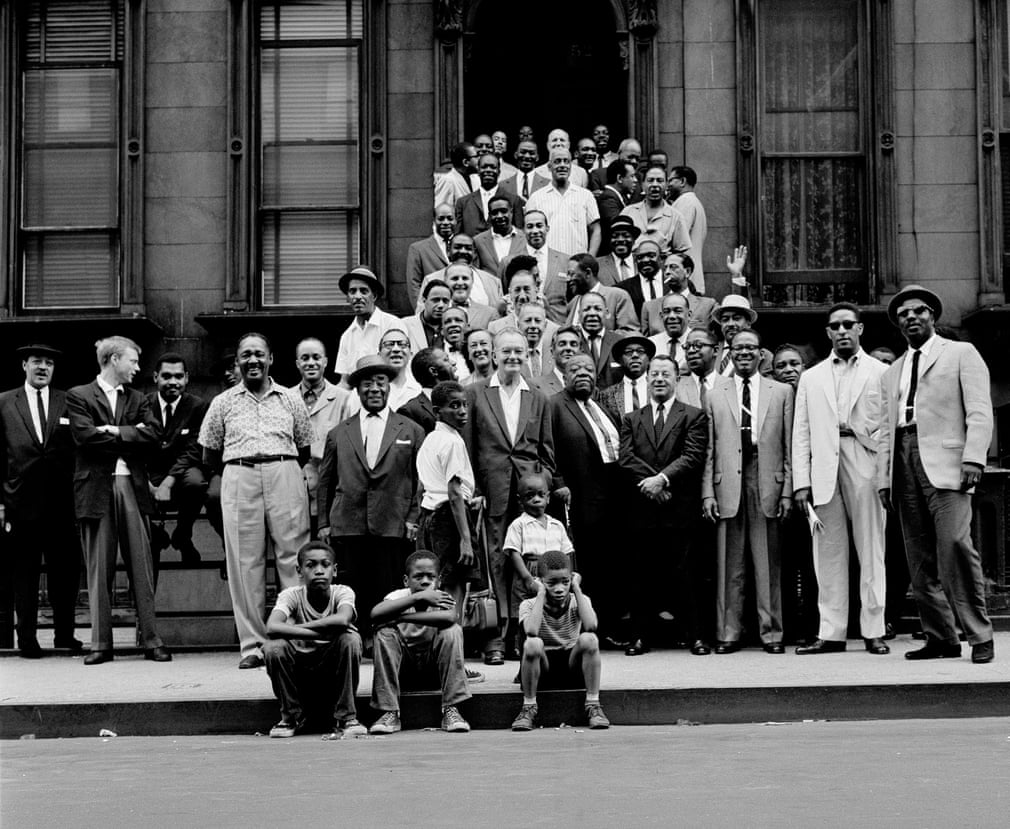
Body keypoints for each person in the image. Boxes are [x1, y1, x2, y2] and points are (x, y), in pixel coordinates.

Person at [877, 285, 995, 664]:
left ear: (933, 316)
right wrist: (884, 478)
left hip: (947, 462)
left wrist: (974, 459)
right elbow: (884, 427)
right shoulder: (891, 371)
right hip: (903, 458)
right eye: (904, 314)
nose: (911, 317)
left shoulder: (961, 353)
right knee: (919, 557)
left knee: (956, 547)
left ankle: (979, 634)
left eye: (919, 311)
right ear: (898, 323)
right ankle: (941, 637)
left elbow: (979, 410)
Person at [199, 332, 313, 668]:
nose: (253, 361)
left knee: (292, 557)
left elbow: (304, 446)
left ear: (271, 359)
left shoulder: (290, 399)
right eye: (246, 355)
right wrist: (241, 468)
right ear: (237, 361)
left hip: (284, 471)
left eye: (259, 354)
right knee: (244, 562)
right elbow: (209, 452)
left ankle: (294, 638)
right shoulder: (223, 402)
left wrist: (281, 468)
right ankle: (253, 645)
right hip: (239, 474)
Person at [793, 304, 890, 655]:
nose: (843, 330)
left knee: (871, 548)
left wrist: (859, 433)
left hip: (865, 462)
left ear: (861, 329)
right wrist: (801, 482)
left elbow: (888, 426)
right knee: (828, 553)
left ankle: (874, 629)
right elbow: (801, 431)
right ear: (828, 332)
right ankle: (831, 632)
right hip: (823, 470)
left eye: (849, 324)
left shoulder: (881, 372)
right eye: (836, 326)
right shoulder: (812, 376)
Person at [68, 336, 170, 664]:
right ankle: (101, 644)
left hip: (133, 488)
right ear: (114, 360)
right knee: (98, 567)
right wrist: (128, 433)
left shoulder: (140, 398)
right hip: (95, 488)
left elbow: (153, 435)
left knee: (142, 565)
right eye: (133, 361)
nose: (137, 368)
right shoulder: (79, 395)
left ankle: (151, 640)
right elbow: (84, 437)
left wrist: (110, 430)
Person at [464, 328, 557, 665]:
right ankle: (496, 639)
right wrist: (474, 490)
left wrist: (540, 484)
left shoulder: (538, 396)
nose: (513, 357)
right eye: (506, 352)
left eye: (518, 351)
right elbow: (468, 449)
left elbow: (546, 453)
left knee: (530, 564)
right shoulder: (475, 394)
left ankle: (526, 633)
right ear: (494, 354)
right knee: (496, 564)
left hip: (529, 498)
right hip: (491, 494)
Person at [317, 355, 425, 641]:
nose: (374, 389)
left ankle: (385, 637)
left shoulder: (411, 430)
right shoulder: (339, 433)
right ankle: (357, 637)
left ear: (389, 387)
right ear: (357, 389)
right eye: (367, 383)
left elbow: (420, 479)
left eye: (380, 382)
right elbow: (325, 481)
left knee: (387, 584)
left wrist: (413, 517)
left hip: (393, 521)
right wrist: (322, 524)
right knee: (352, 583)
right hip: (348, 522)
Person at [703, 329, 793, 654]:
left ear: (760, 354)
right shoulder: (716, 393)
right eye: (738, 348)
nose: (744, 353)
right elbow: (709, 449)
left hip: (765, 476)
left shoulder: (781, 392)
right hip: (726, 480)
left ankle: (772, 633)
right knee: (730, 563)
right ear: (730, 352)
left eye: (750, 348)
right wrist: (707, 493)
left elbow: (788, 446)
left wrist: (787, 491)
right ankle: (729, 633)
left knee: (767, 561)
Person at [618, 353, 708, 656]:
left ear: (676, 379)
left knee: (686, 573)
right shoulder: (632, 418)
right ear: (647, 378)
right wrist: (654, 483)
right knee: (641, 575)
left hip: (679, 509)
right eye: (653, 374)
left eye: (665, 374)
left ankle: (695, 635)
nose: (658, 379)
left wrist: (664, 480)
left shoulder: (693, 415)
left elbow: (693, 456)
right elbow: (626, 457)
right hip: (642, 509)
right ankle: (641, 637)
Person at [0, 344, 82, 657]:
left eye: (49, 363)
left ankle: (65, 635)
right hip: (21, 503)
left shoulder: (69, 401)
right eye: (37, 362)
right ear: (24, 365)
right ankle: (28, 639)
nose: (43, 367)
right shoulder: (5, 402)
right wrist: (1, 503)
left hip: (63, 504)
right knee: (25, 573)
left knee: (66, 572)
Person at [550, 353, 625, 639]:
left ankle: (607, 625)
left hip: (610, 496)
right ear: (564, 374)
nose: (583, 372)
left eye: (589, 369)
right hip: (578, 495)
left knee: (608, 563)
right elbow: (547, 446)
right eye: (575, 368)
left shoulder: (601, 405)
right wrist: (557, 481)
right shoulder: (555, 405)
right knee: (587, 564)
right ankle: (587, 628)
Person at [263, 540, 364, 739]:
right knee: (273, 647)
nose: (319, 571)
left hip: (333, 667)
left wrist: (291, 630)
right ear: (299, 571)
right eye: (311, 565)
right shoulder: (290, 595)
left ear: (334, 570)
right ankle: (290, 717)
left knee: (350, 640)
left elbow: (343, 618)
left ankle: (347, 717)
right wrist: (325, 631)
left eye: (325, 565)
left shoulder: (342, 592)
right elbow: (272, 627)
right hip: (301, 668)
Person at [368, 550, 472, 734]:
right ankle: (389, 711)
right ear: (406, 580)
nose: (425, 581)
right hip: (403, 671)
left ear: (439, 580)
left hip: (435, 672)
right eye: (418, 576)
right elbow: (375, 614)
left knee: (452, 631)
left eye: (430, 577)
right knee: (384, 632)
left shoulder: (442, 597)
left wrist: (403, 618)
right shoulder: (397, 597)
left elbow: (449, 617)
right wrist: (417, 597)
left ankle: (451, 709)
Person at [511, 551, 609, 731]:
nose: (559, 589)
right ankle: (529, 707)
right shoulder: (529, 605)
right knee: (532, 643)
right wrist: (541, 592)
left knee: (589, 639)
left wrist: (577, 589)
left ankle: (593, 705)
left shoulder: (578, 600)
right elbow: (531, 630)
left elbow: (591, 625)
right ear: (540, 581)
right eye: (551, 583)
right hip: (543, 669)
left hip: (572, 667)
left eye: (565, 582)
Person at [415, 380, 481, 616]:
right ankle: (452, 642)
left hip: (429, 517)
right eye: (454, 406)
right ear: (437, 412)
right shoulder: (452, 441)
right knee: (454, 586)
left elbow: (427, 486)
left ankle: (439, 642)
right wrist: (465, 538)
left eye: (465, 404)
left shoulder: (430, 441)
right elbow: (453, 493)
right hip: (449, 520)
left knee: (436, 584)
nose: (462, 411)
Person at [771, 343, 818, 644]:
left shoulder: (814, 398)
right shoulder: (772, 401)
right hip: (779, 494)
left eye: (794, 364)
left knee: (813, 563)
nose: (788, 370)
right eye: (781, 366)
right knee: (784, 563)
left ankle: (812, 626)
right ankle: (787, 624)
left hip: (813, 491)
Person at [146, 352, 210, 564]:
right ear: (155, 377)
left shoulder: (198, 406)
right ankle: (155, 534)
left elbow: (194, 449)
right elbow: (136, 448)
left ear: (187, 378)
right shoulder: (143, 404)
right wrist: (148, 484)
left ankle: (183, 534)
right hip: (151, 470)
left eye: (178, 376)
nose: (173, 382)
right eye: (166, 376)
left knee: (196, 482)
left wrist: (168, 481)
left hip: (183, 470)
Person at [292, 339, 352, 538]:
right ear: (297, 363)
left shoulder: (344, 399)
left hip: (330, 488)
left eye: (316, 357)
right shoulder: (285, 398)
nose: (311, 363)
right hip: (294, 486)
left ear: (326, 361)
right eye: (305, 358)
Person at [504, 471, 574, 624]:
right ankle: (524, 645)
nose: (536, 499)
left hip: (553, 573)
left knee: (552, 610)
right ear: (520, 500)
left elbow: (567, 553)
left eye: (541, 495)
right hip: (529, 570)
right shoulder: (518, 525)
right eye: (530, 496)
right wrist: (527, 578)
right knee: (526, 612)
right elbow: (514, 552)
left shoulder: (557, 525)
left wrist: (568, 575)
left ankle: (551, 643)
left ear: (548, 498)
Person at [525, 148, 601, 256]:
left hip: (577, 264)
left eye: (566, 161)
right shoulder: (536, 198)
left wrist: (590, 258)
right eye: (557, 161)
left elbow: (596, 230)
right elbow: (528, 233)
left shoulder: (585, 195)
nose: (562, 165)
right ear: (549, 167)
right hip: (547, 265)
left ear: (571, 166)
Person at [500, 210, 571, 324]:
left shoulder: (565, 261)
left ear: (547, 228)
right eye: (530, 226)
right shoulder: (508, 262)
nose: (535, 231)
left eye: (539, 226)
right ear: (523, 230)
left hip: (557, 326)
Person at [335, 267, 401, 385]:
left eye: (364, 291)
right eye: (352, 291)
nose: (358, 296)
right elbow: (344, 382)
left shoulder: (392, 325)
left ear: (374, 296)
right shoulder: (347, 336)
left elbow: (400, 373)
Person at [640, 251, 717, 336]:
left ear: (687, 272)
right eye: (665, 268)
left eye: (673, 267)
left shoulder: (708, 305)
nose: (667, 272)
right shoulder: (650, 308)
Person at [619, 166, 691, 256]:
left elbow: (682, 252)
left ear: (666, 184)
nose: (655, 184)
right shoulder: (628, 212)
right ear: (642, 184)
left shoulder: (675, 216)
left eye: (660, 180)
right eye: (650, 180)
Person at [454, 153, 525, 239]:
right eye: (484, 167)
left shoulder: (514, 201)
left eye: (493, 167)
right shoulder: (463, 202)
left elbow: (519, 236)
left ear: (499, 171)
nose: (488, 170)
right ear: (478, 170)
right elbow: (457, 237)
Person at [565, 252, 638, 334]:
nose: (567, 279)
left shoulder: (617, 296)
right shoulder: (573, 302)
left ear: (588, 273)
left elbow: (630, 332)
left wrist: (600, 339)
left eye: (572, 274)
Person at [398, 347, 457, 434]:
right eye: (446, 360)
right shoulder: (410, 411)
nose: (453, 362)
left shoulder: (462, 401)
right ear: (433, 371)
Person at [597, 334, 654, 425]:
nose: (635, 355)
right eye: (628, 352)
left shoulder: (659, 389)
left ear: (649, 359)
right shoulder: (606, 395)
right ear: (620, 360)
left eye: (640, 351)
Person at [667, 166, 708, 293]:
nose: (667, 185)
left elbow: (675, 236)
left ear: (682, 181)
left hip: (684, 278)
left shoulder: (685, 202)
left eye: (671, 180)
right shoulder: (693, 201)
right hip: (690, 276)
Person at [712, 294, 774, 377]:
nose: (730, 324)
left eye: (736, 318)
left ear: (748, 323)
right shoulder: (711, 351)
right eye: (725, 319)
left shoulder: (763, 355)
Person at [406, 204, 455, 307]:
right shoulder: (418, 249)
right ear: (434, 221)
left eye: (450, 218)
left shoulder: (465, 246)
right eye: (441, 219)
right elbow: (414, 285)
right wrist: (422, 312)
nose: (446, 222)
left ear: (456, 221)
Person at [574, 292, 624, 389]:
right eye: (586, 309)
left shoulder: (620, 342)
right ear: (579, 314)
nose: (592, 313)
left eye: (598, 309)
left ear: (607, 313)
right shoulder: (571, 342)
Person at [596, 160, 640, 258]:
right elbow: (617, 227)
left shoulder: (617, 197)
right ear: (619, 178)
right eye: (632, 176)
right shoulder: (608, 198)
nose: (636, 180)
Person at [473, 195, 527, 274]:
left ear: (511, 212)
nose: (499, 216)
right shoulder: (478, 241)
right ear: (490, 215)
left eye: (504, 211)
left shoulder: (525, 238)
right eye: (495, 213)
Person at [618, 236, 665, 317]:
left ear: (661, 258)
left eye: (651, 255)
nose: (645, 260)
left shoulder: (675, 282)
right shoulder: (624, 288)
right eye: (640, 257)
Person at [533, 325, 583, 398]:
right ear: (552, 351)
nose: (568, 348)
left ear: (581, 352)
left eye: (573, 344)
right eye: (562, 344)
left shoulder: (591, 389)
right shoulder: (536, 386)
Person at [648, 292, 691, 376]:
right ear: (661, 316)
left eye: (677, 311)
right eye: (666, 312)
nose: (671, 316)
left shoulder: (700, 343)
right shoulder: (650, 344)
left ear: (689, 315)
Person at [598, 213, 641, 287]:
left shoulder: (642, 261)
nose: (620, 239)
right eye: (615, 236)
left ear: (634, 239)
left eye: (626, 235)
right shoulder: (597, 265)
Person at [433, 141, 479, 209]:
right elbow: (441, 210)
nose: (480, 159)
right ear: (465, 162)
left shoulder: (475, 178)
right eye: (476, 156)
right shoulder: (447, 180)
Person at [517, 302, 551, 379]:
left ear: (545, 325)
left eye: (537, 320)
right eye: (528, 320)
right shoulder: (510, 355)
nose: (533, 325)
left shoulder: (554, 354)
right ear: (518, 325)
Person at [441, 305, 474, 381]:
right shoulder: (435, 354)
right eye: (447, 322)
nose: (453, 324)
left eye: (458, 320)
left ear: (467, 327)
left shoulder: (476, 350)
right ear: (442, 330)